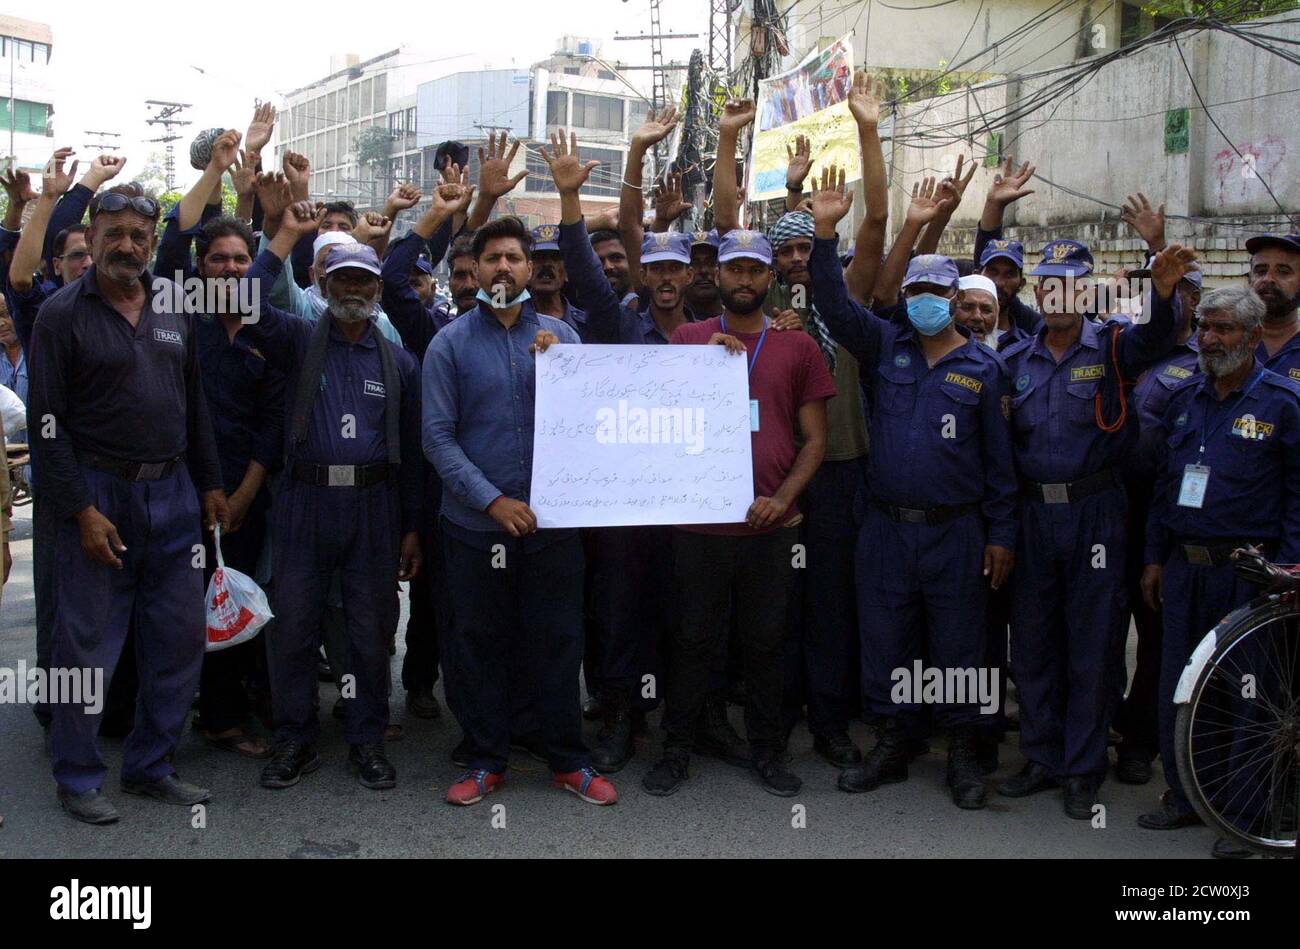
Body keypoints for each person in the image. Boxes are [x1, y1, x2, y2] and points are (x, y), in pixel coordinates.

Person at [807, 166, 1017, 809]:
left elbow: (1001, 466)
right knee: (887, 636)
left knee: (960, 644)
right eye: (916, 287)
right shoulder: (885, 345)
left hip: (957, 531)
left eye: (937, 290)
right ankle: (894, 744)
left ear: (956, 302)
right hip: (887, 527)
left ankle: (962, 755)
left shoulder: (984, 368)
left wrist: (1001, 535)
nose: (924, 297)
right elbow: (835, 305)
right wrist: (824, 235)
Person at [29, 182, 228, 825]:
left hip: (172, 495)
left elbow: (195, 402)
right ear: (90, 233)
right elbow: (46, 425)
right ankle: (77, 776)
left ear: (151, 240)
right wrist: (81, 511)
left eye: (139, 235)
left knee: (177, 639)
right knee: (85, 645)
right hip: (98, 495)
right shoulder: (61, 314)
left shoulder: (174, 307)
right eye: (112, 232)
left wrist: (211, 484)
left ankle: (151, 766)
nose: (126, 245)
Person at [423, 212, 618, 807]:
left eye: (513, 257)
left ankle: (567, 759)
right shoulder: (449, 344)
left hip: (553, 529)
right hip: (475, 528)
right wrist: (494, 500)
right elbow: (437, 438)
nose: (502, 266)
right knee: (480, 643)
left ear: (532, 269)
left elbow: (593, 423)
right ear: (476, 271)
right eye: (492, 258)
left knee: (559, 641)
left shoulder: (565, 338)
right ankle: (486, 760)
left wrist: (560, 368)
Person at [998, 236, 1196, 819]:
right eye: (1049, 282)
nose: (1059, 293)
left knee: (1093, 643)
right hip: (1034, 513)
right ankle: (1040, 756)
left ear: (1086, 292)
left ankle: (1083, 768)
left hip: (1097, 514)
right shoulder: (1015, 360)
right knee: (1033, 641)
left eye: (1071, 283)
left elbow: (1159, 335)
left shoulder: (1114, 349)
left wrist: (1160, 291)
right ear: (1038, 290)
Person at [641, 221, 836, 799]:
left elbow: (816, 441)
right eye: (734, 269)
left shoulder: (796, 344)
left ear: (770, 278)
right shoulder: (687, 339)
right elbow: (657, 415)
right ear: (717, 275)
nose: (744, 279)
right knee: (692, 639)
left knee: (765, 643)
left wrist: (783, 500)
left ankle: (768, 752)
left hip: (767, 524)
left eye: (755, 269)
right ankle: (677, 747)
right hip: (698, 523)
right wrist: (703, 359)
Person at [241, 203, 424, 792]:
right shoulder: (296, 337)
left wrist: (412, 527)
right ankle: (295, 736)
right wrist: (285, 235)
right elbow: (240, 302)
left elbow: (416, 454)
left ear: (376, 289)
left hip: (374, 506)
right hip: (303, 502)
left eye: (364, 279)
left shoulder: (397, 360)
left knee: (372, 629)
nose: (353, 287)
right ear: (322, 282)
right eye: (342, 277)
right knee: (291, 624)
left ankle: (367, 736)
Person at [1136, 285, 1300, 860]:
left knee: (1249, 695)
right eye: (1205, 327)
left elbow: (1297, 494)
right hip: (1185, 569)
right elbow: (1163, 487)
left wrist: (1287, 570)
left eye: (1224, 329)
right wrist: (1155, 557)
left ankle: (1244, 816)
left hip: (1249, 574)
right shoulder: (1186, 398)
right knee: (1182, 692)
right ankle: (1185, 798)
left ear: (1253, 337)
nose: (1210, 338)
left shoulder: (1282, 402)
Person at [154, 184, 287, 759]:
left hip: (248, 492)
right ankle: (172, 712)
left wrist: (245, 493)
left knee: (239, 597)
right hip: (181, 490)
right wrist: (217, 169)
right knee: (181, 606)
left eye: (241, 258)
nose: (230, 267)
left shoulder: (270, 330)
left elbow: (272, 419)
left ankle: (229, 712)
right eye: (218, 258)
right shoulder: (177, 318)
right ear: (200, 267)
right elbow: (168, 249)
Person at [1112, 215, 1204, 785]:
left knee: (1155, 639)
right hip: (1101, 512)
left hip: (1161, 519)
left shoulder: (1206, 361)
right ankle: (1094, 731)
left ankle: (1140, 744)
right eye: (1153, 288)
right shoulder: (1121, 347)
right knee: (1094, 632)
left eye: (1175, 291)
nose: (1166, 299)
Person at [1244, 232, 1300, 379]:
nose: (1268, 279)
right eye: (1261, 271)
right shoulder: (1227, 340)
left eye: (1283, 272)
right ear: (1249, 279)